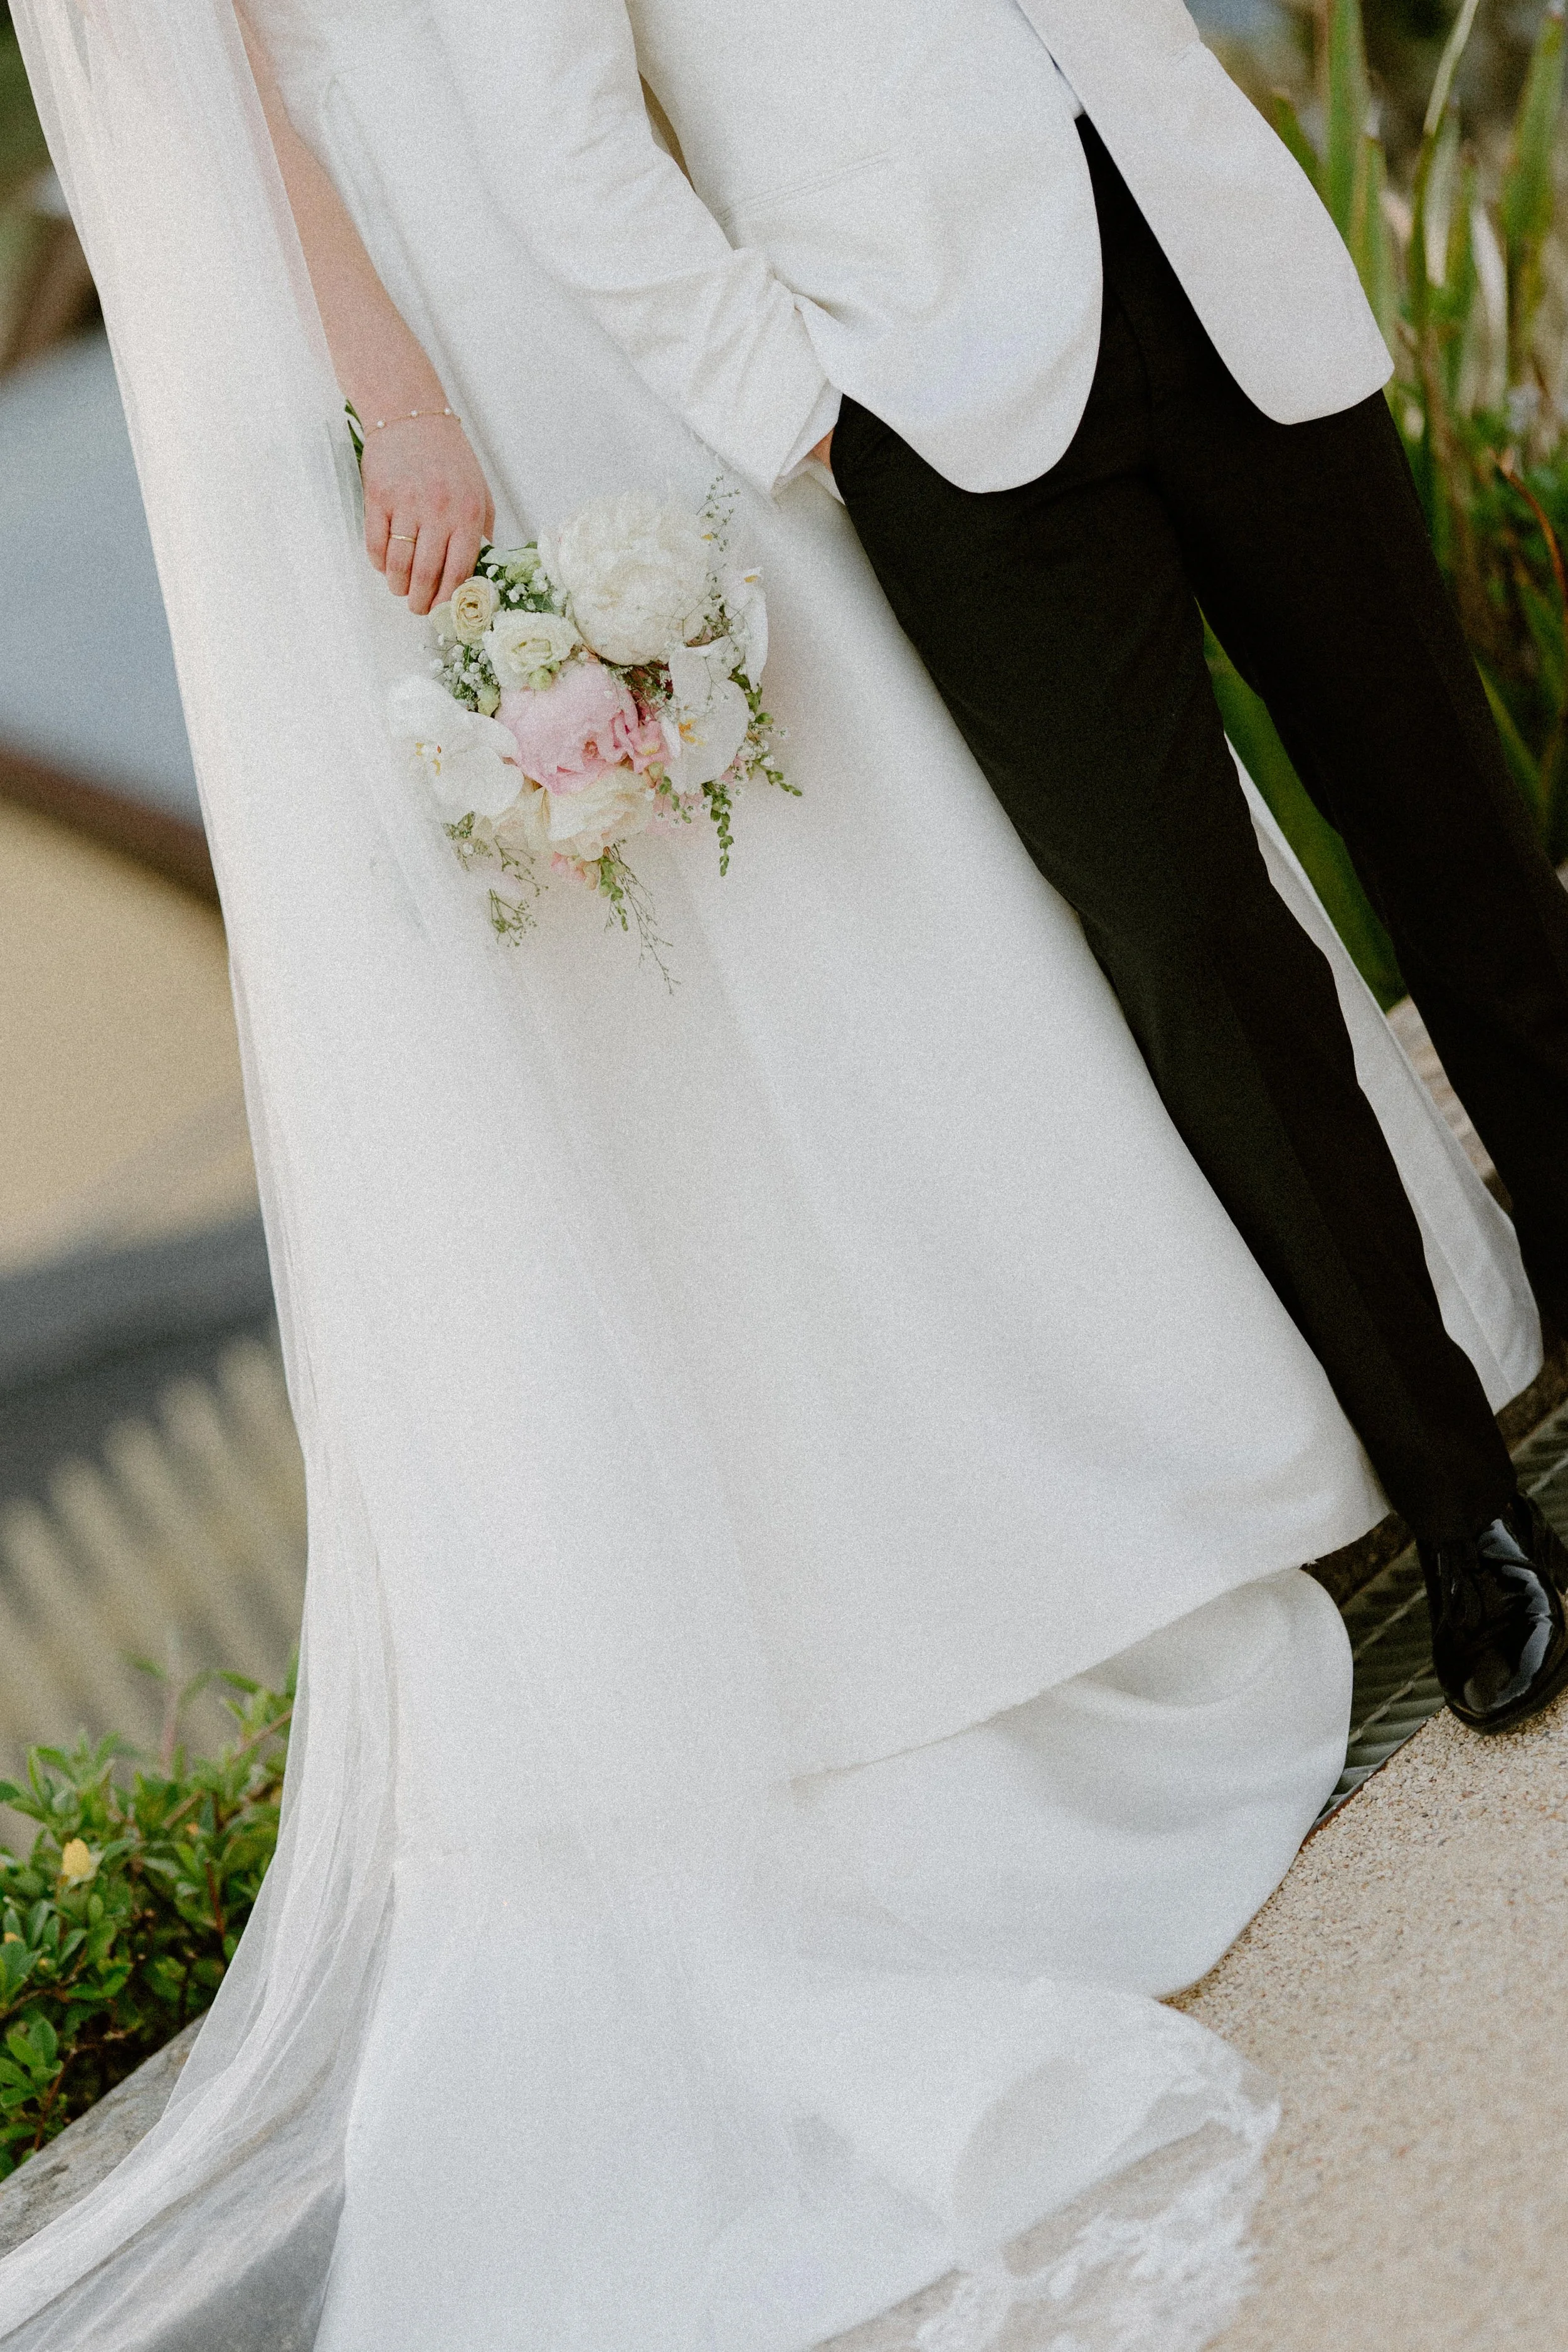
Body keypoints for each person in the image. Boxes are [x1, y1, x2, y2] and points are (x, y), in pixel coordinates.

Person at [0, 1, 1550, 2348]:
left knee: (1353, 845)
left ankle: (1391, 1412)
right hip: (762, 331)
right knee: (1126, 947)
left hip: (1042, 250)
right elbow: (371, 79)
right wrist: (580, 389)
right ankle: (1388, 1525)